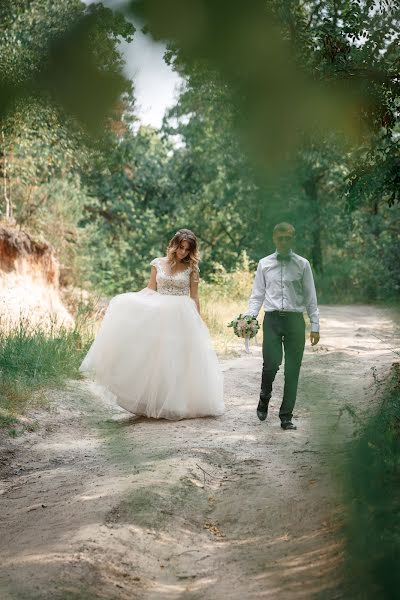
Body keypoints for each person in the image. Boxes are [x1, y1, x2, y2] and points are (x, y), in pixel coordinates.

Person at [80, 229, 224, 420]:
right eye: (180, 248)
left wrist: (198, 320)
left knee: (177, 359)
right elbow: (151, 289)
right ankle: (152, 402)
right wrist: (132, 301)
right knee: (156, 359)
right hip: (159, 314)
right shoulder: (158, 263)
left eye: (187, 250)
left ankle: (176, 404)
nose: (183, 253)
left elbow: (194, 296)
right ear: (173, 245)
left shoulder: (192, 268)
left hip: (182, 316)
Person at [247, 222, 320, 430]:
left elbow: (310, 296)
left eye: (288, 238)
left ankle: (286, 415)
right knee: (270, 364)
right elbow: (257, 296)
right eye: (281, 238)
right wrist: (250, 318)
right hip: (271, 320)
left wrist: (315, 324)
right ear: (274, 239)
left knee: (292, 370)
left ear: (293, 238)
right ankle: (264, 397)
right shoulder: (264, 264)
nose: (284, 241)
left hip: (295, 321)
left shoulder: (303, 264)